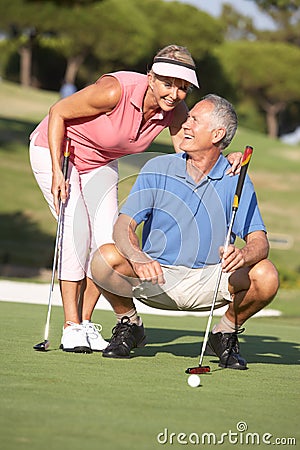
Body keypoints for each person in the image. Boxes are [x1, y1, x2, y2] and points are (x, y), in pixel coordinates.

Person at [29, 44, 242, 354]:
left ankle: (85, 324)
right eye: (168, 83)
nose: (174, 93)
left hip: (100, 162)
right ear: (150, 77)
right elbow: (58, 112)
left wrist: (225, 156)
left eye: (183, 88)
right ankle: (70, 327)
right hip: (59, 153)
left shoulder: (176, 112)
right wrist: (56, 175)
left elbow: (192, 154)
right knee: (77, 233)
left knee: (106, 246)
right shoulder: (114, 90)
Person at [91, 94, 279, 370]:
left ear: (217, 134)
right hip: (157, 276)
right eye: (188, 118)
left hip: (213, 279)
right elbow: (124, 225)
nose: (185, 125)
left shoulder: (236, 177)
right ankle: (129, 324)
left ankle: (224, 332)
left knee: (266, 274)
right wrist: (137, 256)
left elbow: (259, 241)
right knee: (103, 258)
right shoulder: (158, 167)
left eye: (194, 120)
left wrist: (244, 254)